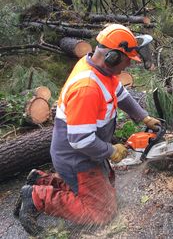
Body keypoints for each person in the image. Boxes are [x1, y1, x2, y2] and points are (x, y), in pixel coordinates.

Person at [16, 24, 161, 236]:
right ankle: (36, 197)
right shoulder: (87, 88)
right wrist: (112, 151)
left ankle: (40, 180)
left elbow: (121, 95)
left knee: (108, 186)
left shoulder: (101, 68)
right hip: (76, 157)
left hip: (86, 152)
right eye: (127, 60)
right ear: (112, 56)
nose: (128, 65)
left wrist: (143, 117)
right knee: (102, 212)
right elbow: (80, 140)